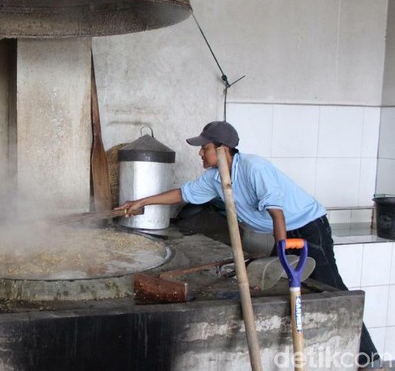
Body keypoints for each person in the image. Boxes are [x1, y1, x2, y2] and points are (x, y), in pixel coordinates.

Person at [116, 121, 383, 370]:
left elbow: (277, 213)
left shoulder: (254, 168)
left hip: (307, 226)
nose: (200, 153)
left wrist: (280, 250)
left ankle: (369, 359)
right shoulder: (215, 178)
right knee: (287, 287)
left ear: (223, 149)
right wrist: (141, 202)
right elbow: (181, 194)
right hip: (284, 230)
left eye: (204, 147)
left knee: (333, 287)